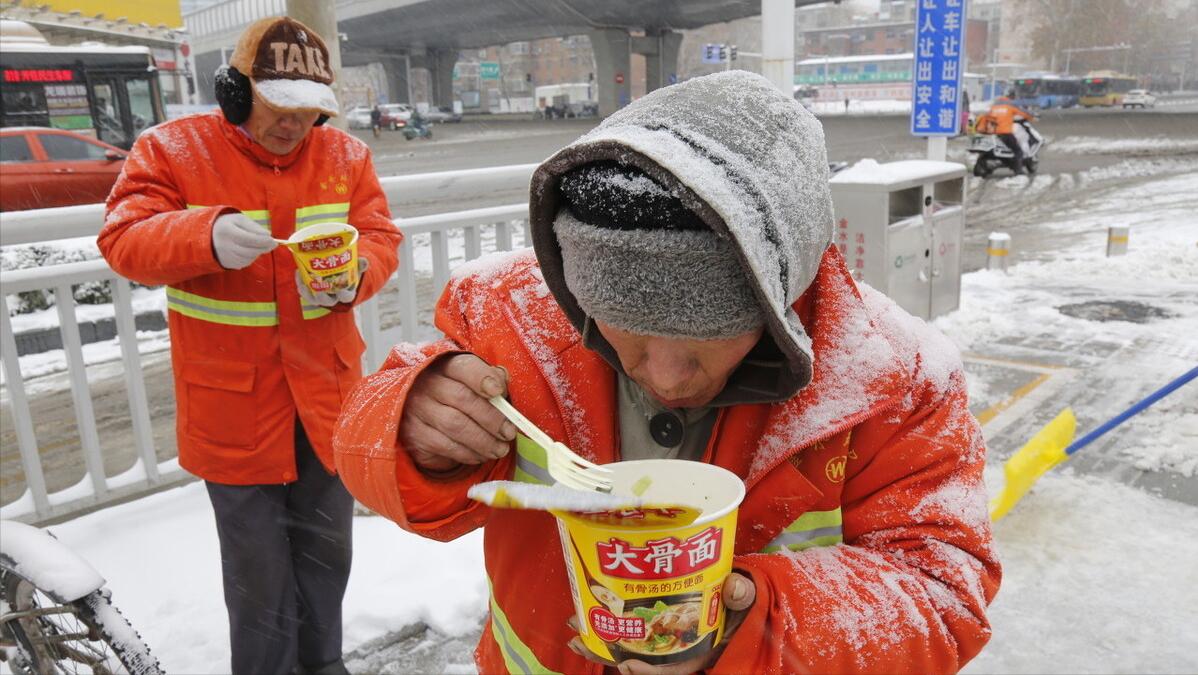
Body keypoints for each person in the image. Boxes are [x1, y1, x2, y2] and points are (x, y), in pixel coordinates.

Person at [333, 71, 1000, 674]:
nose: (668, 377)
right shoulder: (510, 315)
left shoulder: (892, 376)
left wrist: (758, 623)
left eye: (705, 337)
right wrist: (414, 422)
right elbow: (370, 457)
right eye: (626, 330)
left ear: (785, 294)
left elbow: (944, 591)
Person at [98, 16, 402, 675]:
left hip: (326, 400)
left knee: (328, 559)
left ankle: (324, 665)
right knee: (258, 577)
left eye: (308, 110)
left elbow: (380, 236)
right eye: (280, 107)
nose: (295, 125)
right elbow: (123, 241)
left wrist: (356, 275)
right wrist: (202, 236)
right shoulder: (171, 150)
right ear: (238, 91)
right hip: (234, 412)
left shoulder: (345, 157)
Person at [974, 95, 1036, 174]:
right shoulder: (1009, 106)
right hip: (1005, 133)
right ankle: (1018, 170)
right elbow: (1024, 113)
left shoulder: (993, 108)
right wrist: (1032, 117)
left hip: (992, 134)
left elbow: (984, 118)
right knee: (1018, 151)